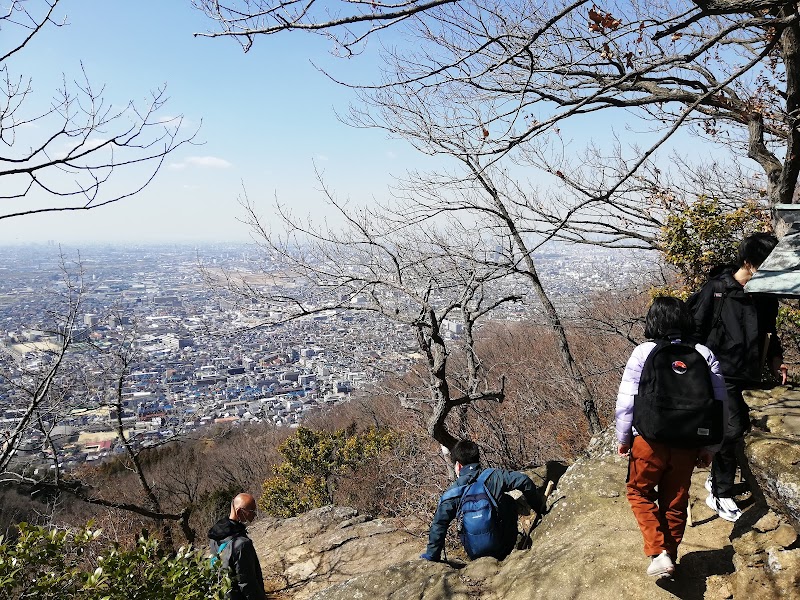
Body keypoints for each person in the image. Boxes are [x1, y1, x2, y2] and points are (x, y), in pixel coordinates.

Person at [616, 297, 726, 578]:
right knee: (675, 500)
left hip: (649, 439)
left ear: (654, 321)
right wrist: (710, 445)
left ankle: (657, 551)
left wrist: (624, 437)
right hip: (688, 441)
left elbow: (627, 401)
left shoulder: (644, 352)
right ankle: (670, 558)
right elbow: (718, 403)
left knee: (639, 491)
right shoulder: (704, 353)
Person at [690, 233, 788, 522]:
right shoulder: (718, 289)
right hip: (717, 373)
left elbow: (769, 333)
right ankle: (720, 493)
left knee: (737, 427)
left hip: (748, 372)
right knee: (733, 428)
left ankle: (716, 479)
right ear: (748, 262)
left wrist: (776, 362)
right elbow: (694, 329)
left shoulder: (765, 294)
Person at [420, 439, 543, 562]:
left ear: (458, 465)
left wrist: (432, 555)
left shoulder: (453, 491)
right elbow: (524, 481)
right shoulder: (494, 476)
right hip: (505, 547)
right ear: (478, 458)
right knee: (508, 500)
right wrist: (539, 507)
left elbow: (439, 524)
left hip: (474, 553)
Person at [208, 493, 267, 600]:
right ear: (240, 511)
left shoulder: (215, 535)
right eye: (252, 511)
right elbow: (247, 582)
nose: (255, 514)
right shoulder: (242, 544)